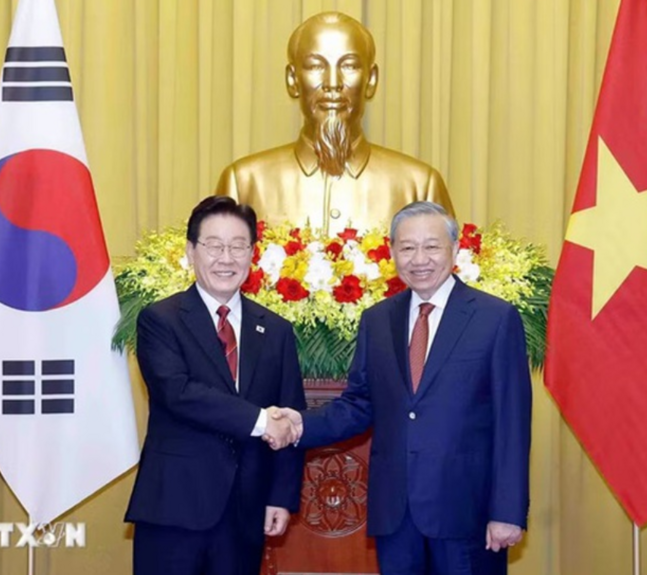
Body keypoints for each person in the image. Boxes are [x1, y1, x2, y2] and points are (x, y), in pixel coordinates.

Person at [274, 201, 532, 574]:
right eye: (407, 248)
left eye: (432, 246)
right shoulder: (378, 320)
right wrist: (297, 423)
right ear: (392, 251)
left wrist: (507, 511)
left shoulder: (494, 318)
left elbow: (513, 422)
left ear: (455, 249)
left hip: (467, 515)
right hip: (396, 516)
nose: (419, 259)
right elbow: (358, 405)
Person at [124, 196, 306, 575]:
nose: (227, 258)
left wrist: (281, 497)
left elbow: (291, 414)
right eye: (214, 246)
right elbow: (178, 393)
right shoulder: (161, 320)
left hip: (246, 512)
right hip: (173, 508)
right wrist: (260, 420)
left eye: (238, 246)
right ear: (191, 252)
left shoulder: (275, 330)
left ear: (252, 254)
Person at [215, 12, 455, 235]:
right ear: (292, 79)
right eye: (315, 66)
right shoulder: (244, 182)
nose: (332, 82)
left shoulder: (420, 185)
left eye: (349, 65)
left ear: (371, 80)